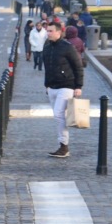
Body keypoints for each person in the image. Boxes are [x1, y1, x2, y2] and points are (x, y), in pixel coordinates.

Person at [41, 21, 84, 159]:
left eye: (51, 31)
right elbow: (47, 67)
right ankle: (63, 145)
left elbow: (78, 66)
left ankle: (64, 146)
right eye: (47, 31)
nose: (48, 33)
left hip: (66, 85)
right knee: (58, 116)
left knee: (59, 115)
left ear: (59, 32)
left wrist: (78, 86)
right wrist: (47, 85)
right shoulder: (47, 47)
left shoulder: (67, 47)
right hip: (52, 87)